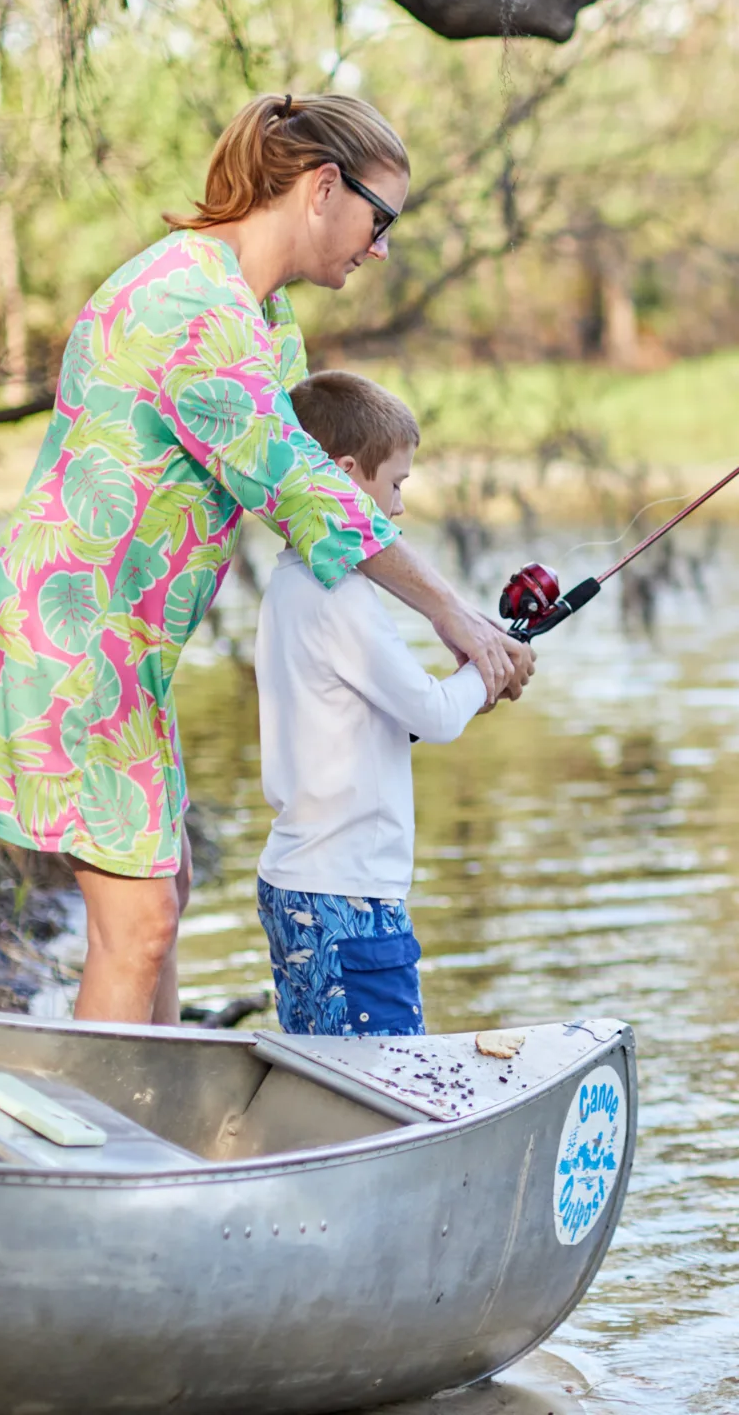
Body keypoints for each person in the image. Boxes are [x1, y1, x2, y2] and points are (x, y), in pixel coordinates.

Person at [0, 93, 534, 1025]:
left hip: (127, 659)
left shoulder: (261, 314)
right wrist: (450, 616)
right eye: (379, 221)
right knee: (135, 928)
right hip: (69, 645)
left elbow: (310, 482)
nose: (379, 248)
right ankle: (101, 1155)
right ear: (323, 188)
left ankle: (156, 1111)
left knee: (160, 907)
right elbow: (304, 488)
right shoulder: (196, 306)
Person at [252, 371, 487, 1036]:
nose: (399, 508)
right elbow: (437, 716)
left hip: (299, 881)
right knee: (383, 1084)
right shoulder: (343, 595)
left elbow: (353, 715)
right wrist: (488, 671)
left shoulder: (290, 586)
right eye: (396, 485)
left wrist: (467, 683)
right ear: (348, 474)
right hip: (346, 893)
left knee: (325, 1073)